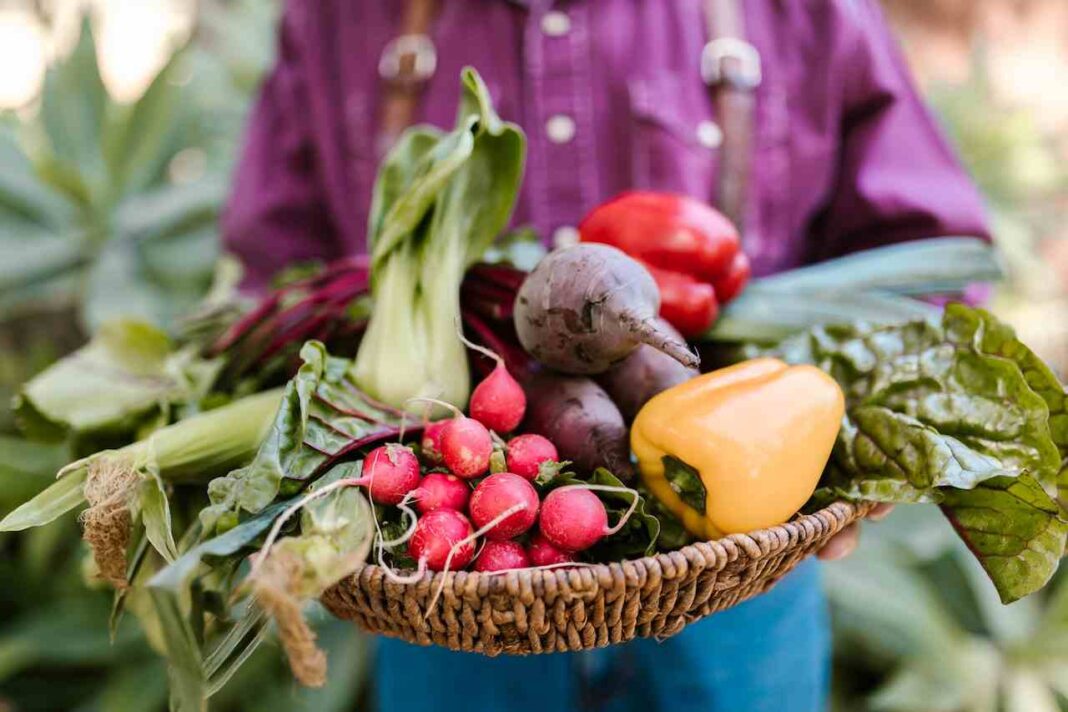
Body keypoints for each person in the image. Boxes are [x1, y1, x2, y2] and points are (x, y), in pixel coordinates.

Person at [223, 1, 990, 710]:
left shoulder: (796, 10)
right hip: (448, 579)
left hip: (739, 568)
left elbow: (927, 258)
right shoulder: (339, 18)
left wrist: (864, 428)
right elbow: (276, 276)